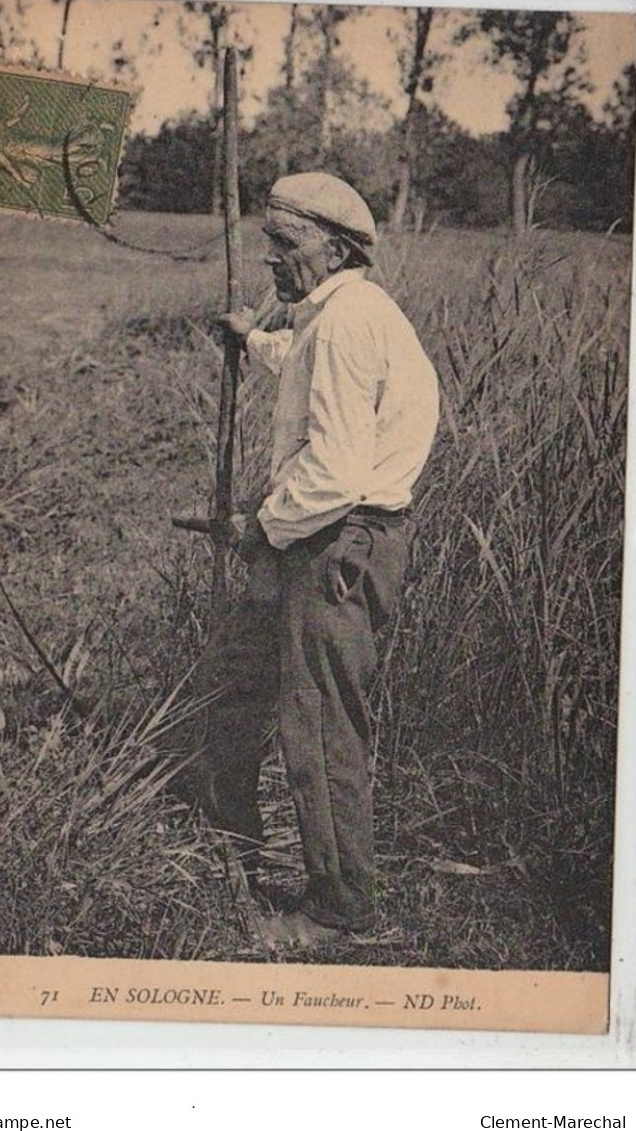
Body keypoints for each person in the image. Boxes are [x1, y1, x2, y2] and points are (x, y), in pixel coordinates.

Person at [192, 171, 439, 948]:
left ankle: (341, 911)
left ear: (333, 248)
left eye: (284, 243)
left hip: (337, 540)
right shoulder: (335, 314)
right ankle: (229, 850)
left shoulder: (344, 324)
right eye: (267, 241)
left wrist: (260, 525)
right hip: (331, 535)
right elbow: (302, 369)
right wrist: (251, 339)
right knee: (240, 679)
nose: (271, 259)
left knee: (322, 718)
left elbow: (331, 472)